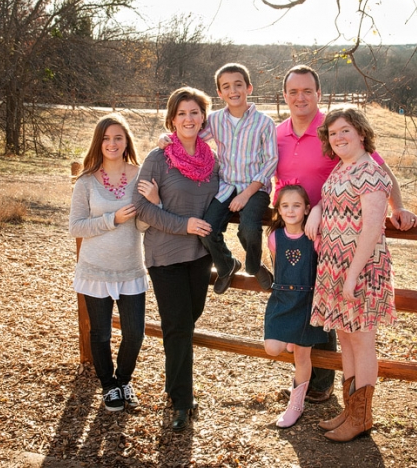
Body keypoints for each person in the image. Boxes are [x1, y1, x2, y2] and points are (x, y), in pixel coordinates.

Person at [276, 64, 417, 403]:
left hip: (355, 259)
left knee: (359, 335)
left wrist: (397, 207)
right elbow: (328, 190)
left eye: (307, 90)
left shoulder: (352, 149)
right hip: (317, 245)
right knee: (330, 323)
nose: (300, 97)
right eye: (293, 91)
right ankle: (337, 399)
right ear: (284, 96)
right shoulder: (286, 136)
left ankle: (347, 403)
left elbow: (378, 192)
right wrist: (318, 210)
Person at [132, 87, 220, 432]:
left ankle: (176, 388)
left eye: (195, 112)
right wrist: (182, 224)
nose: (189, 118)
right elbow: (141, 207)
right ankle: (181, 400)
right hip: (164, 255)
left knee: (187, 321)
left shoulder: (211, 159)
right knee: (178, 326)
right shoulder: (158, 157)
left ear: (203, 118)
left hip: (199, 256)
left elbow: (218, 201)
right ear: (172, 118)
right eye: (182, 113)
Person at [308, 107, 396, 442]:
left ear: (360, 132)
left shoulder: (371, 171)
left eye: (345, 130)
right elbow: (332, 202)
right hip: (334, 265)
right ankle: (349, 410)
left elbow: (373, 227)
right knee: (345, 337)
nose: (339, 137)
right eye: (332, 133)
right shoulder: (343, 168)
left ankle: (362, 416)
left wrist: (352, 275)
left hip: (360, 269)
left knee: (361, 340)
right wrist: (316, 209)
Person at [69, 113, 152, 413]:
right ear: (98, 142)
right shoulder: (87, 181)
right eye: (106, 138)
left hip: (131, 267)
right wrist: (111, 220)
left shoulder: (141, 175)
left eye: (118, 137)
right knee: (100, 332)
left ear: (126, 140)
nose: (112, 143)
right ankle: (108, 385)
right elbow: (76, 226)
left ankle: (123, 379)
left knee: (134, 333)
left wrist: (152, 202)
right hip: (96, 269)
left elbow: (143, 226)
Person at [199, 63, 278, 294]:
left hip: (255, 187)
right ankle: (227, 265)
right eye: (226, 86)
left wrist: (246, 195)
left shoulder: (264, 122)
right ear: (220, 93)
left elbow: (271, 161)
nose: (233, 90)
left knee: (249, 230)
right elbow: (193, 137)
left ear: (249, 88)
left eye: (238, 85)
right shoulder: (215, 120)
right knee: (207, 230)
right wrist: (168, 138)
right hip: (225, 185)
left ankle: (254, 266)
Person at [263, 183, 329, 428]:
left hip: (306, 301)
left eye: (297, 206)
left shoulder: (314, 237)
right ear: (278, 210)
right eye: (285, 206)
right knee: (272, 347)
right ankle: (289, 337)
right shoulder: (274, 237)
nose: (291, 211)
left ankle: (295, 406)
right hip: (282, 300)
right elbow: (276, 265)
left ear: (307, 209)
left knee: (302, 356)